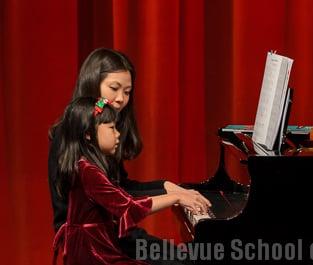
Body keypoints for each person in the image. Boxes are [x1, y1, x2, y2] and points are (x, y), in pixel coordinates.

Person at [48, 48, 210, 264]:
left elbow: (120, 187)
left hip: (114, 233)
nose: (120, 99)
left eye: (127, 91)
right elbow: (122, 203)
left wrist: (168, 186)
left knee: (189, 257)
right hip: (93, 244)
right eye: (114, 89)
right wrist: (175, 196)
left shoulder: (101, 129)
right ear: (92, 84)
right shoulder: (74, 135)